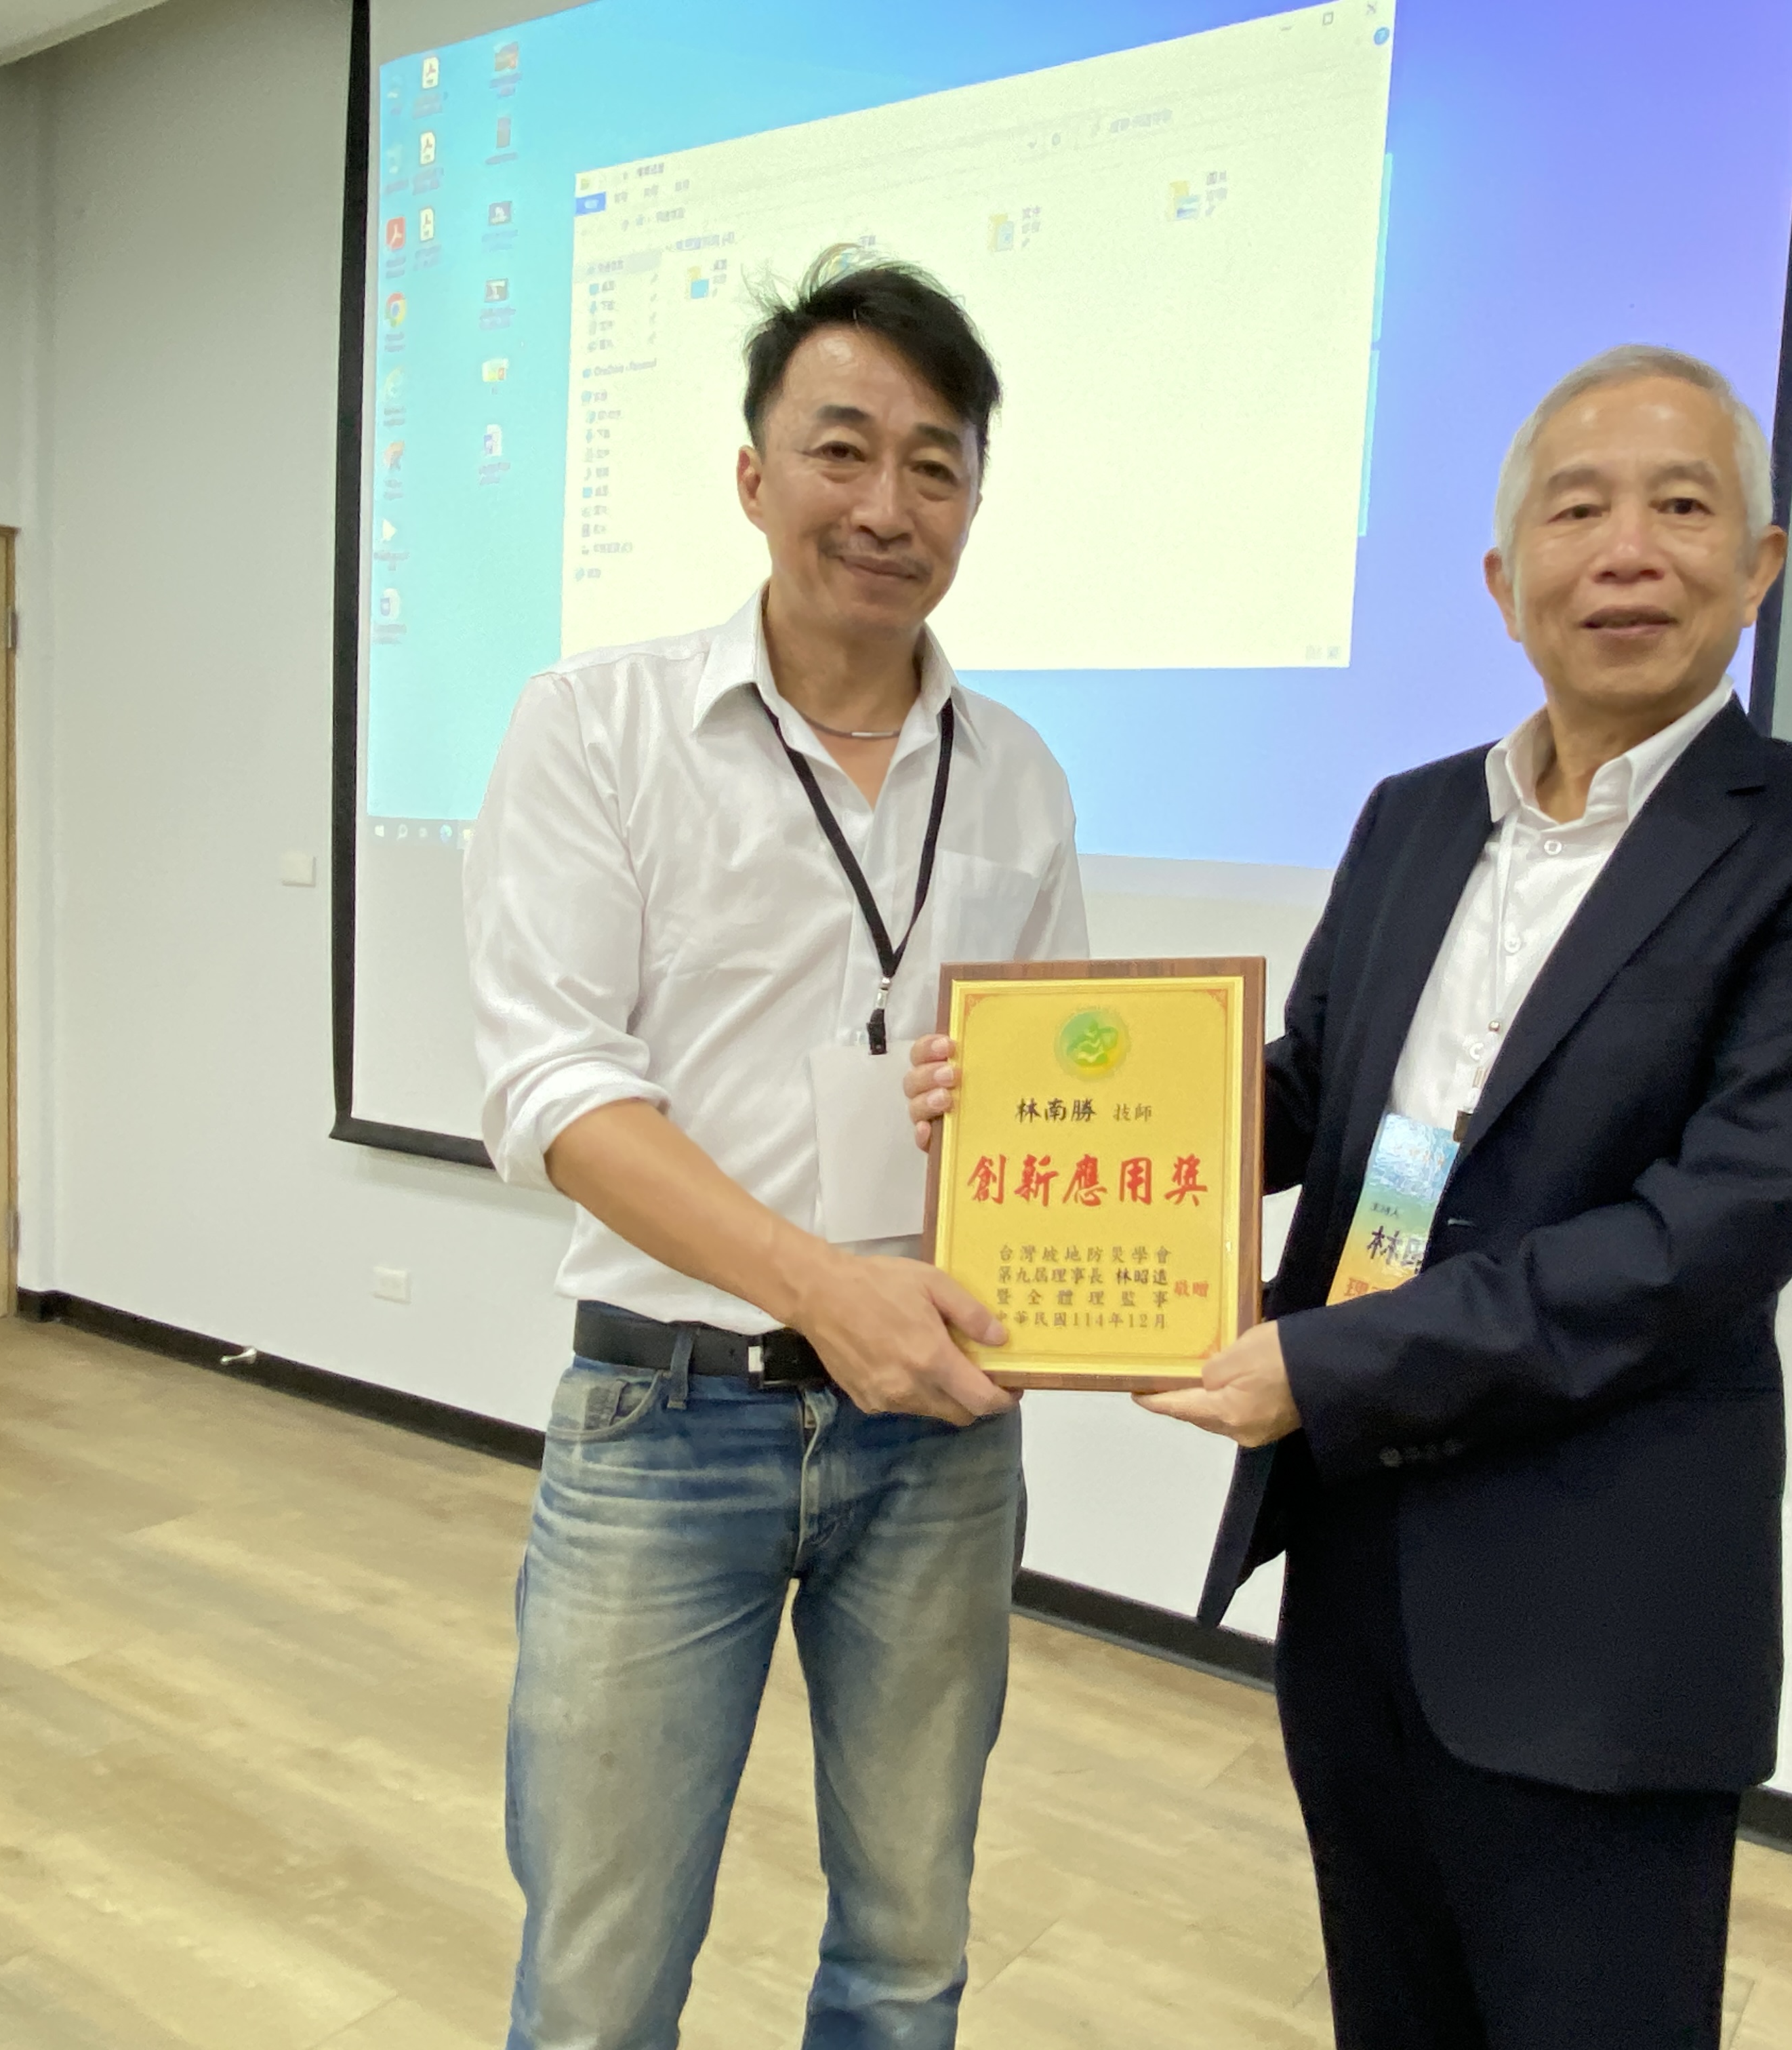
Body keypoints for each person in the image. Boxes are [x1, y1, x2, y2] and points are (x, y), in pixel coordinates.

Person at [908, 344, 1792, 2047]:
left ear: (1761, 563)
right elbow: (1315, 1098)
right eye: (1579, 509)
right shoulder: (1412, 821)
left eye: (1684, 507)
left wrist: (1322, 1364)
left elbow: (1705, 1240)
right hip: (1358, 1559)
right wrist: (1032, 1106)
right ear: (1502, 577)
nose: (1629, 551)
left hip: (1597, 1608)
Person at [466, 255, 1084, 2050]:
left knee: (906, 1954)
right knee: (600, 1979)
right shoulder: (597, 727)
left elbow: (1058, 1099)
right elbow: (556, 1089)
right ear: (754, 476)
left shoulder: (1020, 774)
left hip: (941, 1441)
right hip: (670, 1420)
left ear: (973, 500)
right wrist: (823, 1287)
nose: (888, 505)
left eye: (935, 465)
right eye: (843, 450)